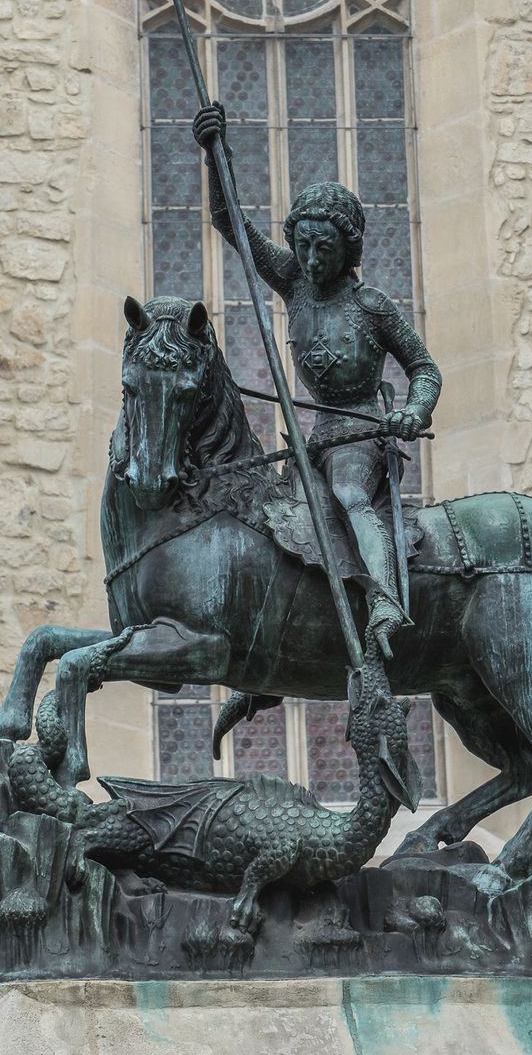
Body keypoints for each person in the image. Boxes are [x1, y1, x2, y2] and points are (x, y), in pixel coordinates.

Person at [193, 101, 440, 658]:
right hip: (316, 437)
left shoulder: (372, 306)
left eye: (321, 248)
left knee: (351, 495)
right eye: (301, 244)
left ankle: (385, 599)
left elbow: (424, 370)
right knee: (272, 529)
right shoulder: (294, 282)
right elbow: (231, 221)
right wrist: (216, 156)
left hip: (362, 432)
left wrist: (414, 412)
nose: (308, 257)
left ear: (346, 248)